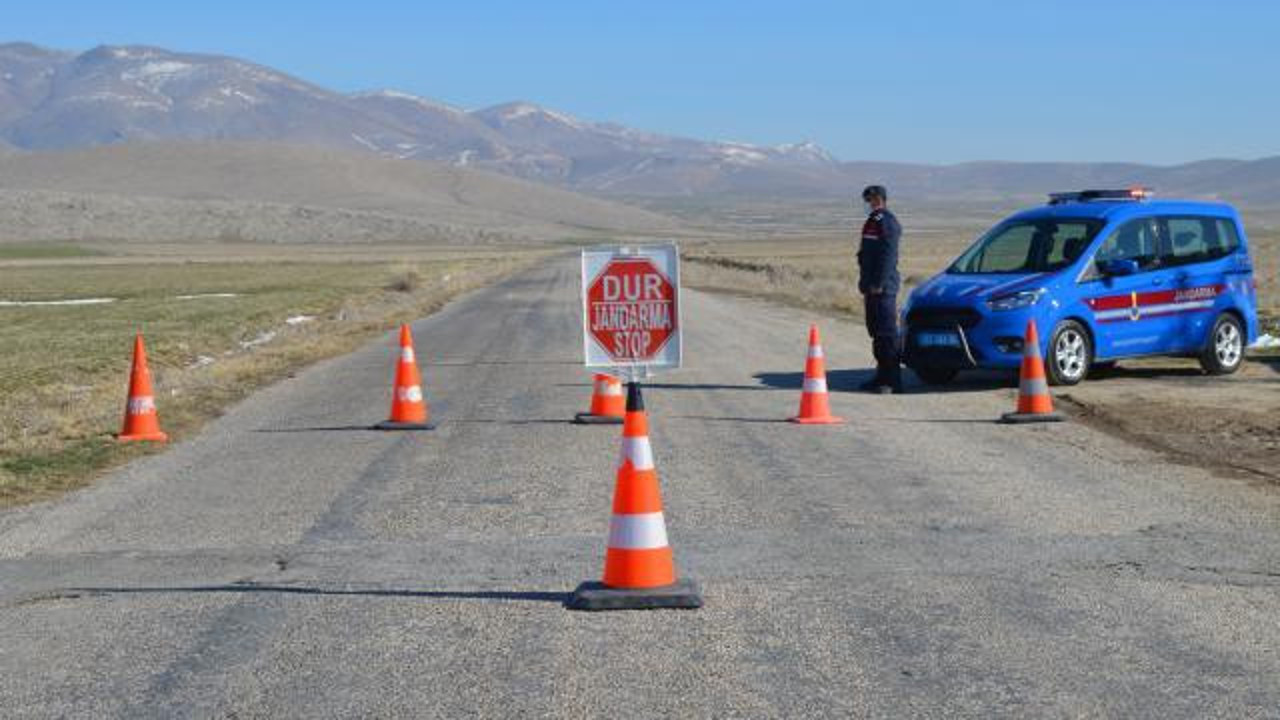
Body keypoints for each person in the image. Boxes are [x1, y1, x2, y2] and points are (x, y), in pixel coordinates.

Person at [856, 184, 903, 393]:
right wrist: (865, 281)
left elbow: (888, 257)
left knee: (887, 334)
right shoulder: (872, 222)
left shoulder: (887, 222)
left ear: (880, 199)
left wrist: (878, 283)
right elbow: (865, 254)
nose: (869, 203)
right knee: (875, 332)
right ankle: (880, 377)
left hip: (883, 288)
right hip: (871, 286)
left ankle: (892, 381)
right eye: (867, 200)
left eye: (872, 199)